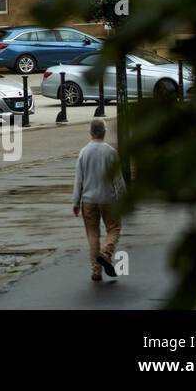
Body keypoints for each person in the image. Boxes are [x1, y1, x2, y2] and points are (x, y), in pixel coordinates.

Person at [71, 118, 126, 283]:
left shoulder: (83, 152)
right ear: (104, 132)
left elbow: (78, 180)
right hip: (108, 198)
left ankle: (96, 271)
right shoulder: (110, 152)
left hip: (88, 200)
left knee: (92, 234)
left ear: (90, 132)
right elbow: (118, 179)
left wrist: (75, 202)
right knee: (114, 228)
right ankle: (106, 253)